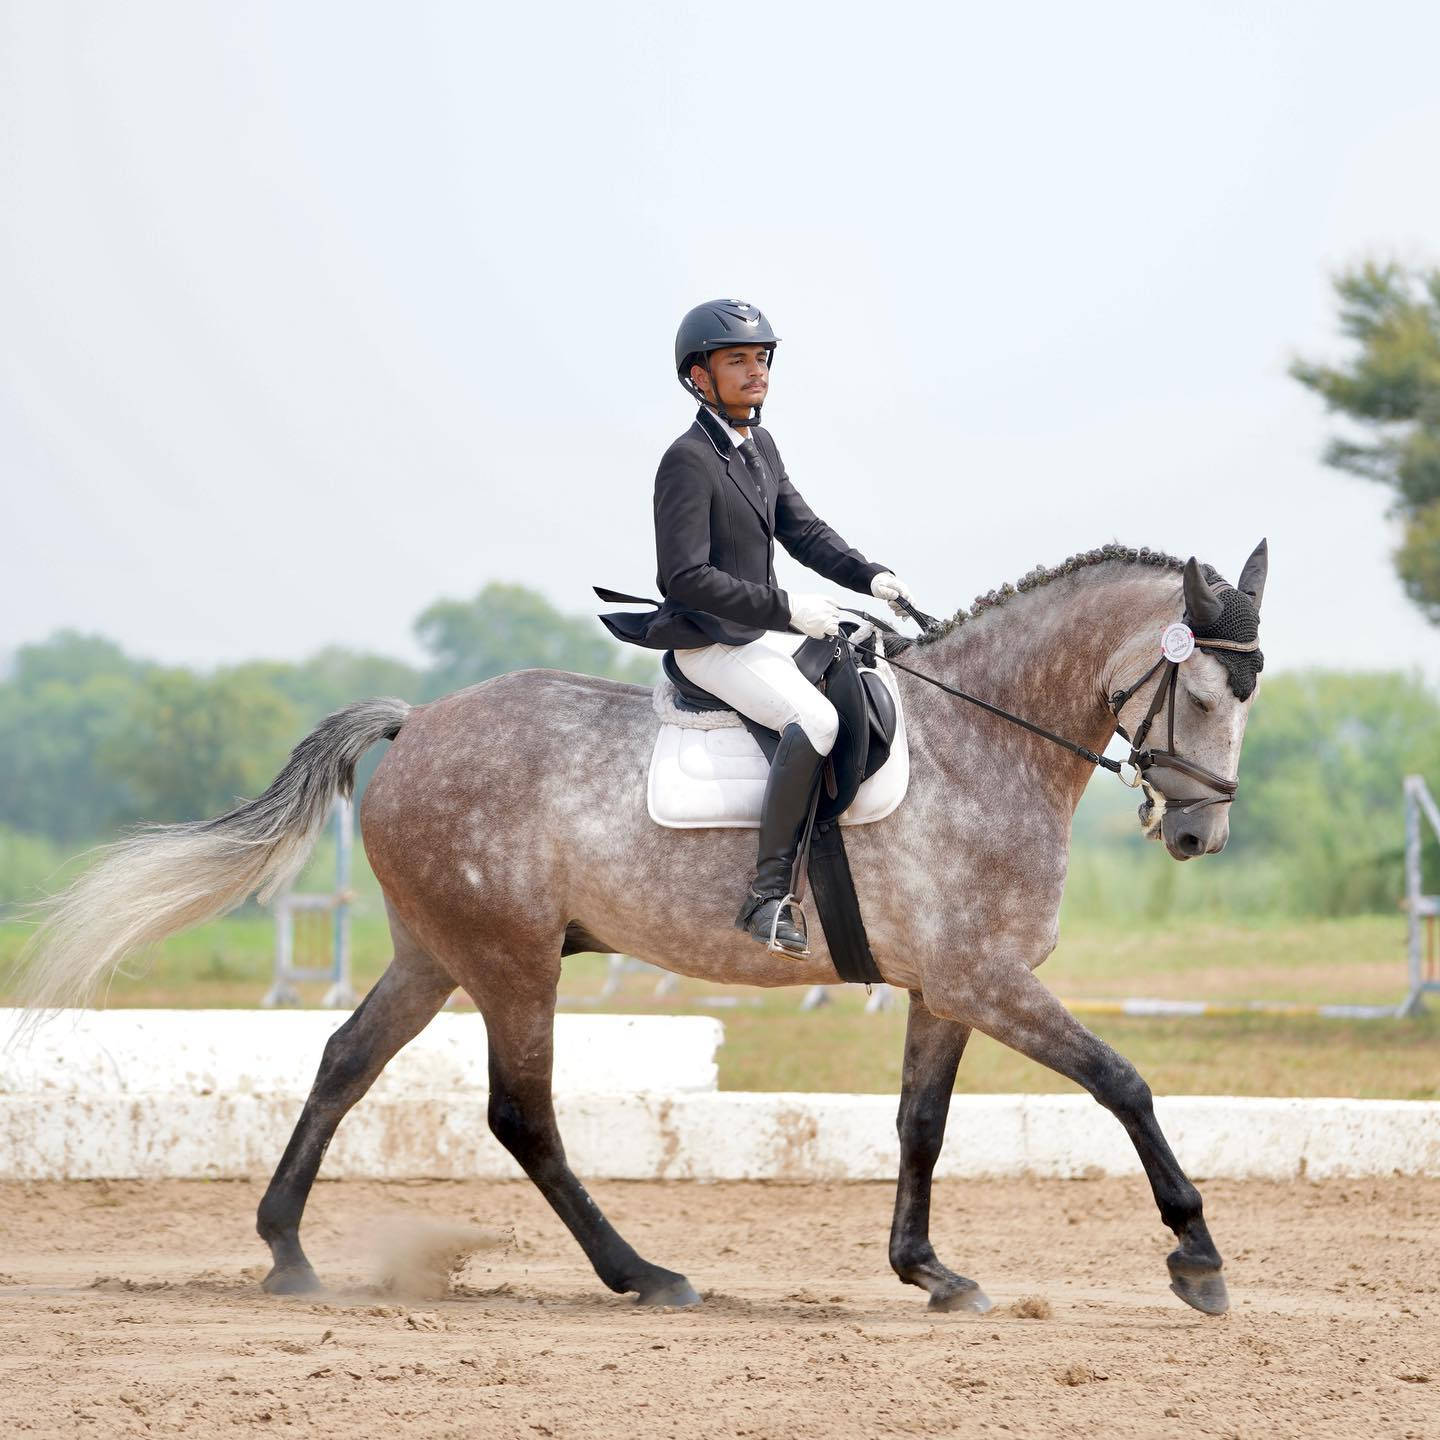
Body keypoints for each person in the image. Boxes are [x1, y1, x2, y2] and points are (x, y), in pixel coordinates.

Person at [600, 299, 917, 956]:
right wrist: (787, 610)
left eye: (762, 358)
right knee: (817, 722)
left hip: (760, 633)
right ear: (699, 376)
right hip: (712, 641)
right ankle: (768, 896)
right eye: (737, 360)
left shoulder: (759, 446)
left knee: (866, 662)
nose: (756, 372)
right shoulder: (686, 460)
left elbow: (803, 531)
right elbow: (683, 578)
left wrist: (871, 577)